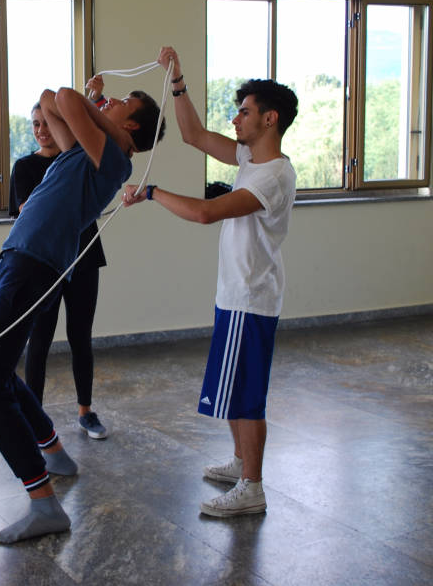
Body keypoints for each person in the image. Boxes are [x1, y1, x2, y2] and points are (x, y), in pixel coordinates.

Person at [0, 82, 164, 543]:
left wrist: (92, 106)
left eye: (120, 104)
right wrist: (96, 110)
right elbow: (48, 98)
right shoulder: (89, 148)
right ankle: (52, 449)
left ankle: (43, 504)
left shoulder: (114, 157)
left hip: (31, 264)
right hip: (22, 260)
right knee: (1, 375)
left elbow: (67, 96)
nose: (109, 102)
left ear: (130, 125)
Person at [123, 46, 297, 518]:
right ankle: (241, 462)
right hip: (236, 294)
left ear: (270, 119)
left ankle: (252, 486)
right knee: (236, 386)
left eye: (244, 112)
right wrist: (177, 81)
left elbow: (204, 213)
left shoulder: (274, 176)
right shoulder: (249, 159)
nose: (236, 119)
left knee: (246, 394)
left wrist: (153, 193)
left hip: (252, 297)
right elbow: (194, 134)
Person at [10, 76, 110, 441]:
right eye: (35, 125)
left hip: (83, 256)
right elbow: (26, 211)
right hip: (46, 262)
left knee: (80, 335)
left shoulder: (77, 160)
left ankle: (86, 411)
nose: (41, 131)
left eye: (47, 123)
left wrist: (91, 99)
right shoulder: (24, 167)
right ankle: (34, 418)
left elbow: (90, 129)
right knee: (40, 338)